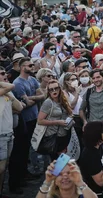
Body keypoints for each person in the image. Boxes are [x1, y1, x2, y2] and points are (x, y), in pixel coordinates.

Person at [8, 57, 41, 194]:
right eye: (29, 65)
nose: (32, 66)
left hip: (34, 118)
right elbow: (26, 104)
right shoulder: (18, 83)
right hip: (24, 120)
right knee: (20, 151)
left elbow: (42, 95)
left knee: (26, 149)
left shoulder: (32, 79)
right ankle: (16, 181)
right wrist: (33, 98)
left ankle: (24, 174)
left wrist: (31, 97)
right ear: (22, 67)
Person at [37, 78, 74, 159]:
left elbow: (69, 112)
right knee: (57, 162)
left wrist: (70, 118)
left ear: (59, 89)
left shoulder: (62, 99)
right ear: (48, 91)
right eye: (51, 89)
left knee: (63, 160)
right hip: (54, 136)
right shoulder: (48, 102)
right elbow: (40, 121)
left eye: (56, 88)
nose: (54, 91)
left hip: (65, 134)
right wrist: (57, 122)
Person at [0, 67, 22, 197]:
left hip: (9, 134)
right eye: (2, 74)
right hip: (1, 135)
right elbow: (12, 85)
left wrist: (8, 94)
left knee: (4, 167)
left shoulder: (7, 93)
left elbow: (19, 107)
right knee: (1, 168)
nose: (5, 75)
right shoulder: (7, 88)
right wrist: (6, 87)